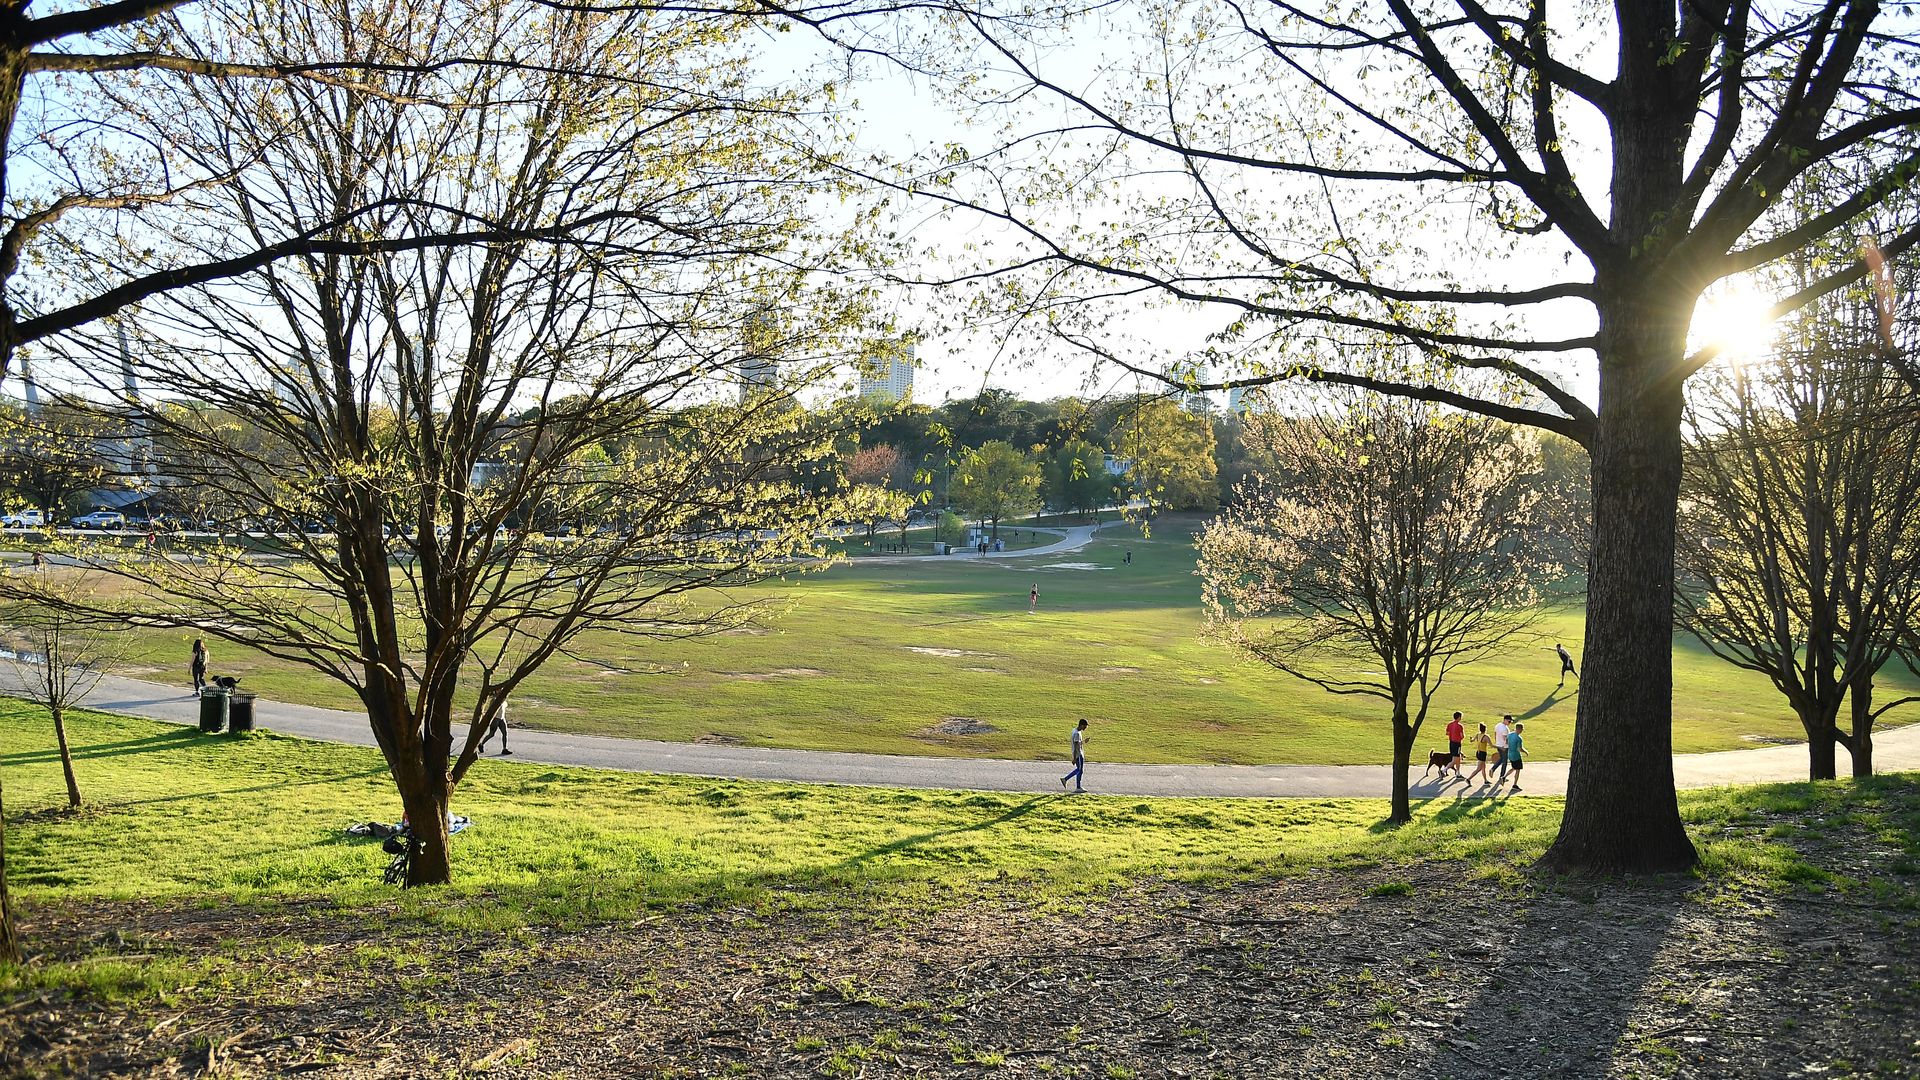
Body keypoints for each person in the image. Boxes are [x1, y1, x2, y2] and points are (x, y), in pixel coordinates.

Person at [1060, 718, 1089, 792]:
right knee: (1079, 770)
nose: (1086, 727)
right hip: (1078, 754)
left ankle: (1068, 781)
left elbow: (1078, 743)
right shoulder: (1077, 733)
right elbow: (1076, 746)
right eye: (1085, 726)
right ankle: (1076, 786)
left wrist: (1084, 741)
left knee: (1080, 770)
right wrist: (1074, 758)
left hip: (1079, 753)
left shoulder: (1075, 731)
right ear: (1082, 725)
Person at [1492, 714, 1512, 782]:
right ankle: (1502, 777)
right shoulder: (1505, 728)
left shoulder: (1497, 725)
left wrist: (1497, 742)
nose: (1510, 723)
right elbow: (1505, 739)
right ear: (1505, 720)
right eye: (1509, 721)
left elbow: (1495, 734)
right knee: (1505, 762)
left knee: (1501, 759)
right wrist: (1509, 745)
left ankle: (1493, 769)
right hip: (1504, 747)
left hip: (1498, 745)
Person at [1507, 722, 1526, 791]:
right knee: (1517, 770)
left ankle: (1504, 777)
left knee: (1514, 767)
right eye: (1522, 729)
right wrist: (1526, 752)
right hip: (1516, 756)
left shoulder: (1510, 735)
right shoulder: (1519, 738)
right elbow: (1520, 749)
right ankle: (1515, 785)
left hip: (1509, 754)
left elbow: (1506, 742)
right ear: (1520, 729)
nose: (1522, 731)